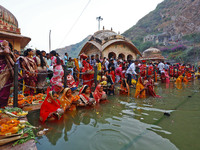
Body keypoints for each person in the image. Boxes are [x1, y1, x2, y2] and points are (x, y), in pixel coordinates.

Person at [0, 40, 15, 107]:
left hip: (5, 72)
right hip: (3, 72)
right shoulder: (4, 51)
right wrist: (6, 45)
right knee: (3, 93)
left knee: (4, 92)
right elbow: (7, 51)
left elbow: (14, 60)